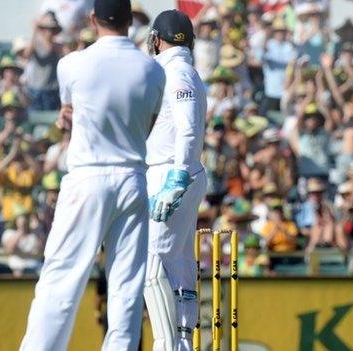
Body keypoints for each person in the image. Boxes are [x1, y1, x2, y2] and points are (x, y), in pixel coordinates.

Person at [20, 1, 166, 350]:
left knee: (61, 278)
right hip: (132, 177)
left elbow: (72, 111)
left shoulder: (71, 64)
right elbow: (147, 124)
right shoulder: (153, 70)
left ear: (92, 19)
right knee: (127, 286)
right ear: (130, 21)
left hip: (88, 177)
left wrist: (68, 119)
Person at [143, 10, 207, 351]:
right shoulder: (181, 69)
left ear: (156, 39)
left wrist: (177, 177)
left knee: (152, 266)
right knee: (179, 263)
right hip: (177, 172)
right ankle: (181, 342)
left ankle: (166, 345)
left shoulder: (177, 72)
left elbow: (189, 128)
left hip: (172, 173)